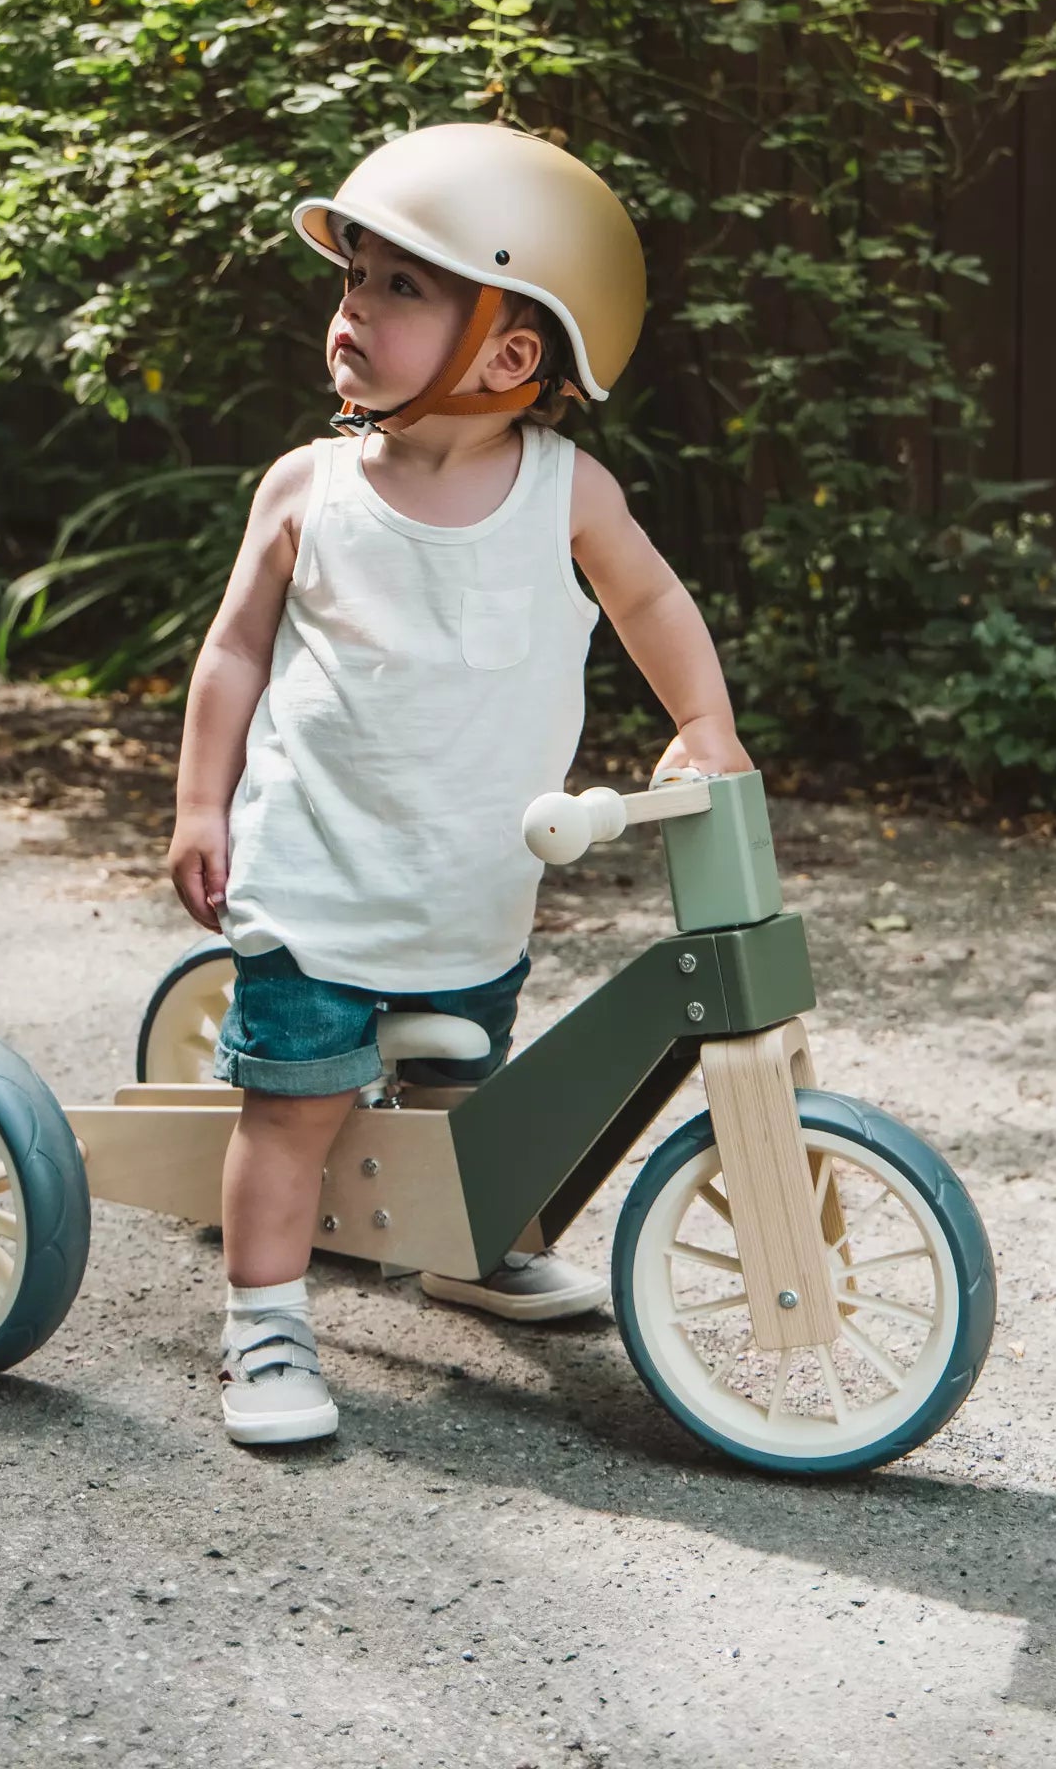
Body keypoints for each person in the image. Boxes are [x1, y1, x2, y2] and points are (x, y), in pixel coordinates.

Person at [166, 122, 753, 1444]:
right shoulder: (309, 487)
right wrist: (201, 804)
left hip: (474, 881)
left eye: (396, 287)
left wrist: (704, 722)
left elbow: (651, 600)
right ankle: (262, 1330)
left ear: (508, 353)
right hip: (316, 874)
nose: (349, 312)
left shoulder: (564, 493)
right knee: (296, 1106)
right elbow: (233, 651)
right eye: (350, 280)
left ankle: (467, 1245)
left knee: (467, 1089)